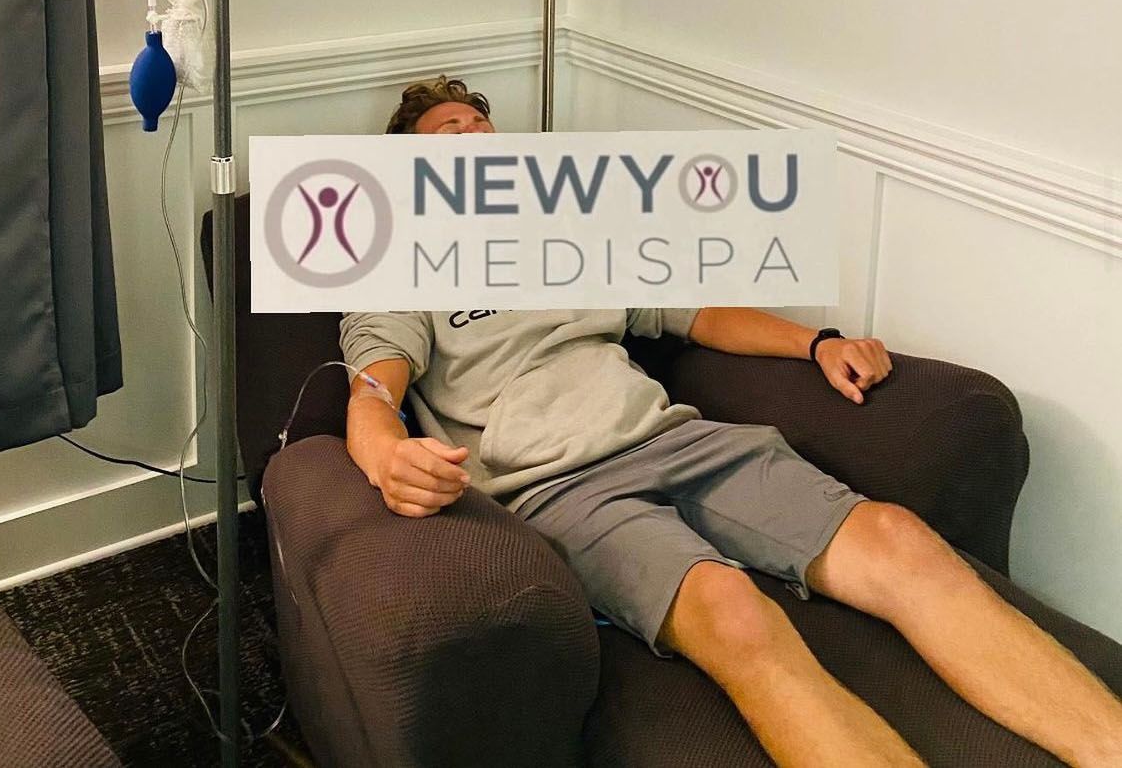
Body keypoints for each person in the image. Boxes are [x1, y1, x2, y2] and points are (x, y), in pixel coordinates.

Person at [340, 76, 1122, 768]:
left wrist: (817, 343)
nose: (475, 136)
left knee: (899, 539)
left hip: (677, 438)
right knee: (736, 614)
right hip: (562, 489)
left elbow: (699, 312)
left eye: (481, 125)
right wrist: (385, 457)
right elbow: (373, 389)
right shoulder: (407, 266)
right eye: (449, 132)